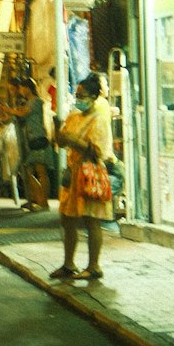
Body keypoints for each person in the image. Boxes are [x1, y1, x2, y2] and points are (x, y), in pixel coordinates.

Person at [51, 72, 115, 282]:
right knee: (67, 219)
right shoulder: (73, 117)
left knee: (91, 220)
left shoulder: (99, 120)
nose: (79, 99)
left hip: (89, 173)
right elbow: (60, 142)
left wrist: (75, 141)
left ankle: (93, 266)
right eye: (77, 94)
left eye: (83, 95)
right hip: (72, 173)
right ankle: (68, 263)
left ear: (94, 96)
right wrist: (59, 134)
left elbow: (100, 152)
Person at [10, 76, 53, 211]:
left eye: (22, 88)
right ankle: (37, 199)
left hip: (39, 139)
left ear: (27, 88)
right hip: (33, 140)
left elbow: (22, 114)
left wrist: (8, 109)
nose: (20, 91)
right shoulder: (29, 102)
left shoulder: (37, 102)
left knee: (40, 172)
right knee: (30, 171)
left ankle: (43, 202)